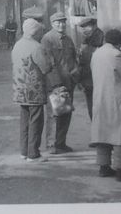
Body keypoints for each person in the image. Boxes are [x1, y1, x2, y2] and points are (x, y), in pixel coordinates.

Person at [90, 29, 121, 182]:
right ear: (119, 42)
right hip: (116, 99)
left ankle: (103, 166)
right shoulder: (117, 55)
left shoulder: (96, 54)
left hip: (99, 98)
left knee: (102, 133)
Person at [12, 18, 52, 162]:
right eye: (40, 31)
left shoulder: (17, 45)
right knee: (36, 121)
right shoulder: (36, 47)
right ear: (35, 32)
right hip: (34, 90)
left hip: (19, 89)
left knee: (24, 121)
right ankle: (33, 153)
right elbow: (45, 67)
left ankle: (24, 151)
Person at [41, 12, 80, 154]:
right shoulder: (47, 39)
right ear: (52, 24)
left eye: (63, 21)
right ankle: (52, 146)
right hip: (55, 84)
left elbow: (74, 60)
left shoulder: (68, 39)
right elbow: (48, 64)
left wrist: (76, 77)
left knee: (66, 112)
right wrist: (57, 84)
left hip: (69, 82)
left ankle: (61, 143)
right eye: (57, 22)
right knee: (54, 114)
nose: (61, 24)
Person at [77, 17, 104, 120]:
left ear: (94, 26)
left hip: (98, 80)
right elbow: (82, 61)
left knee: (99, 110)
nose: (84, 30)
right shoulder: (86, 40)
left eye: (87, 27)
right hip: (88, 80)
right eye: (83, 28)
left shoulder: (101, 40)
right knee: (92, 109)